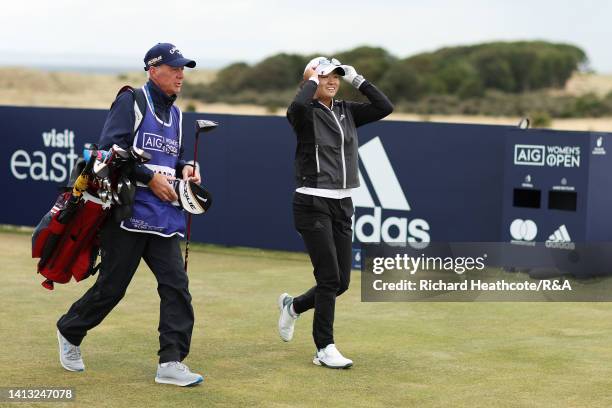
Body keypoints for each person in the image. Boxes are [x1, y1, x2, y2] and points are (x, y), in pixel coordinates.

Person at [55, 43, 204, 387]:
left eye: (184, 69)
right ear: (153, 70)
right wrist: (147, 177)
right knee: (112, 288)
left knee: (176, 287)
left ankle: (170, 361)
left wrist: (188, 169)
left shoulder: (179, 115)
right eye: (175, 68)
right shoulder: (133, 101)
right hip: (126, 212)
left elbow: (174, 159)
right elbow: (108, 151)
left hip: (165, 217)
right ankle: (70, 328)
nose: (182, 74)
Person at [280, 57, 393, 368]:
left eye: (336, 77)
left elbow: (385, 107)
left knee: (341, 281)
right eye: (326, 76)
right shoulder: (303, 113)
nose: (332, 81)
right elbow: (299, 105)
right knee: (328, 277)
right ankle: (324, 348)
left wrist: (358, 79)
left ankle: (293, 306)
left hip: (342, 202)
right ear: (312, 80)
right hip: (311, 201)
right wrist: (313, 80)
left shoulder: (346, 111)